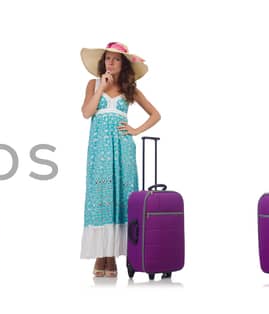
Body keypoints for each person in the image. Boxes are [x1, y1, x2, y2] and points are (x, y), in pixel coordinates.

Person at [77, 42, 162, 278]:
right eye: (107, 59)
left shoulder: (129, 89)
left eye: (115, 59)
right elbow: (86, 112)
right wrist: (100, 89)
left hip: (123, 149)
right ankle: (100, 255)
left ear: (123, 64)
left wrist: (135, 130)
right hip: (99, 150)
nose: (110, 63)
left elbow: (156, 114)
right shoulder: (93, 84)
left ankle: (112, 256)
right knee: (101, 198)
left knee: (120, 199)